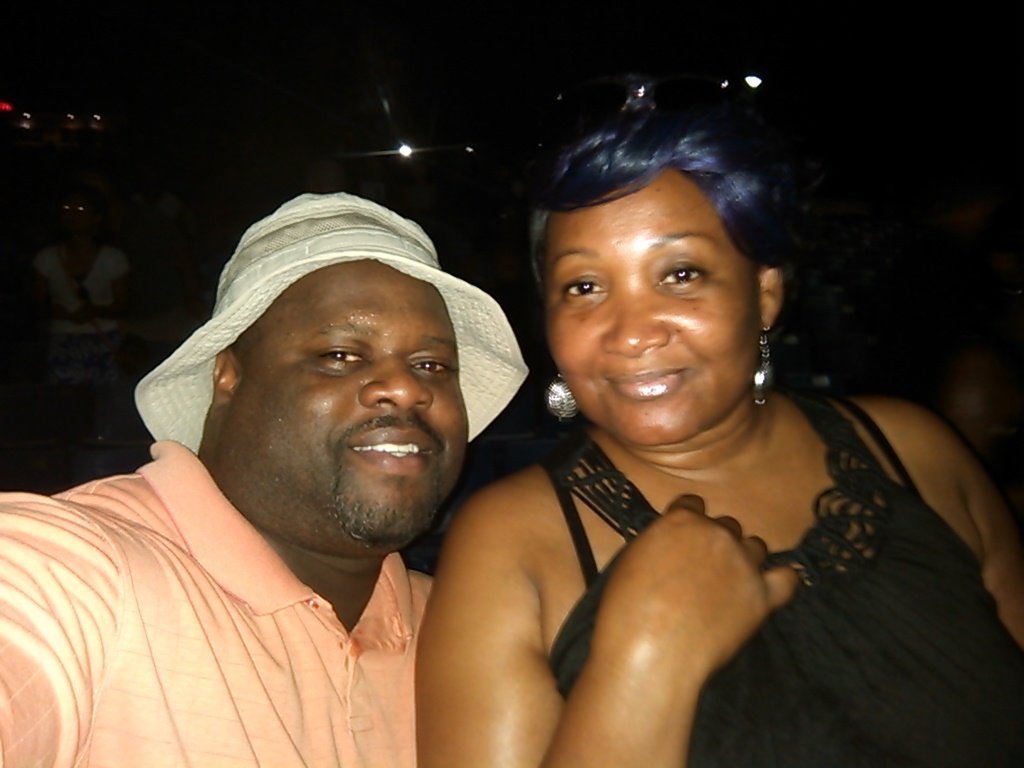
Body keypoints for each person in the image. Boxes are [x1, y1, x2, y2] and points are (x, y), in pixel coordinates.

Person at [416, 79, 1024, 767]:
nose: (632, 332)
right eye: (583, 286)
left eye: (680, 274)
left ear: (765, 294)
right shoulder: (508, 544)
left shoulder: (917, 454)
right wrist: (644, 669)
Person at [0, 192, 528, 767]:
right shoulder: (74, 572)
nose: (407, 388)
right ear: (228, 377)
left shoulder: (467, 629)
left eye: (432, 365)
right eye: (340, 355)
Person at [32, 184, 130, 384]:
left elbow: (124, 304)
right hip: (62, 338)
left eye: (80, 209)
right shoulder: (46, 259)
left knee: (106, 395)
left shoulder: (113, 259)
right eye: (66, 209)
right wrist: (57, 312)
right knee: (65, 397)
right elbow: (36, 303)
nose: (71, 215)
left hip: (104, 338)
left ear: (96, 217)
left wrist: (95, 311)